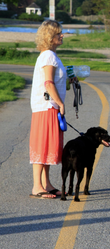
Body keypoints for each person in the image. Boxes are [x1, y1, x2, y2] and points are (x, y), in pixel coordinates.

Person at [29, 20, 75, 199]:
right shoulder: (48, 56)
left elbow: (54, 82)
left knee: (48, 146)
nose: (62, 35)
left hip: (49, 106)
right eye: (58, 34)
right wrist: (61, 104)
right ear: (49, 37)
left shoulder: (50, 55)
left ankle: (46, 184)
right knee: (42, 145)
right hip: (47, 106)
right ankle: (37, 186)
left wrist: (70, 81)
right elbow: (48, 83)